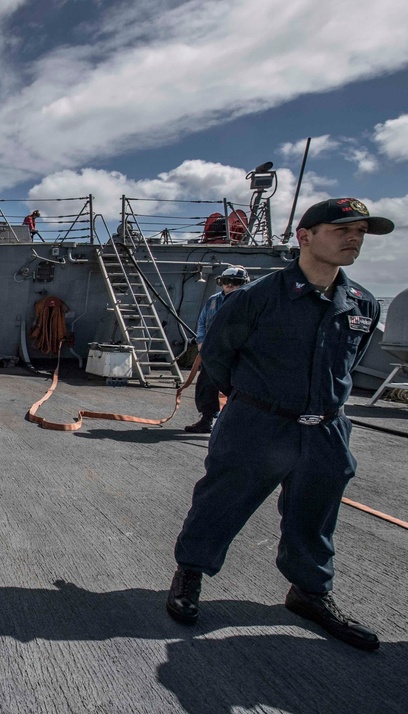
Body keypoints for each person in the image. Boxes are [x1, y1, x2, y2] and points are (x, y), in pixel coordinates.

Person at [166, 197, 392, 652]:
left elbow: (350, 365)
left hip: (326, 430)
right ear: (305, 237)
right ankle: (190, 574)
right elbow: (217, 355)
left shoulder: (363, 304)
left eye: (361, 232)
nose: (354, 238)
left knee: (315, 517)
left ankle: (309, 592)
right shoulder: (256, 298)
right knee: (221, 503)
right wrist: (254, 401)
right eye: (341, 229)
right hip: (258, 423)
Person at [184, 265, 250, 434]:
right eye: (226, 282)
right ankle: (207, 419)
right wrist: (201, 341)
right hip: (213, 353)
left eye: (235, 282)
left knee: (240, 388)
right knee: (206, 386)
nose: (230, 285)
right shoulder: (213, 300)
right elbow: (202, 321)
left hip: (238, 354)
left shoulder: (249, 301)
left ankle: (237, 423)